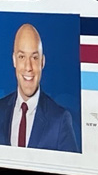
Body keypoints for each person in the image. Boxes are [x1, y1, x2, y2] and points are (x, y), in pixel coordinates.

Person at [0, 23, 80, 153]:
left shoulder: (60, 120)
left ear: (42, 62)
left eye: (34, 57)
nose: (28, 67)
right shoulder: (1, 110)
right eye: (22, 57)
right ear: (14, 60)